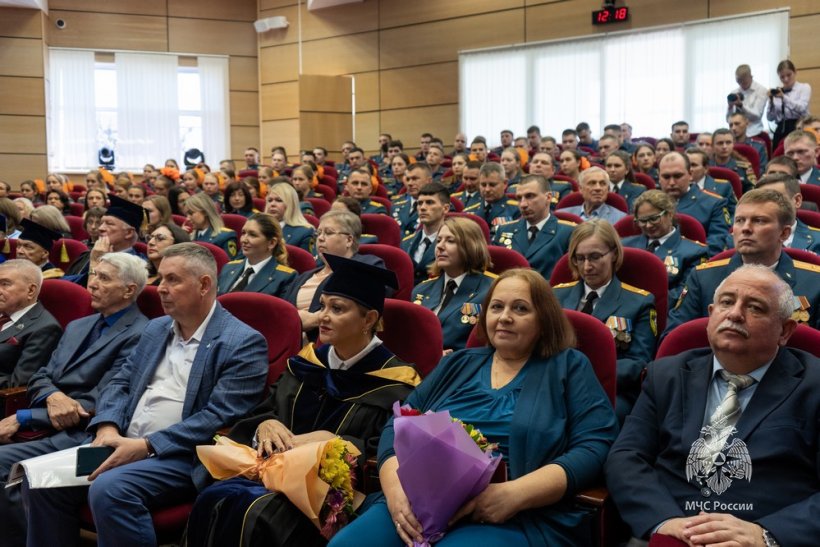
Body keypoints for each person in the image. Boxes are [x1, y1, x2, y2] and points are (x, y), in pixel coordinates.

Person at [330, 268, 618, 547]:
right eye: (496, 307)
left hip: (514, 513)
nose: (504, 317)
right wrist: (394, 489)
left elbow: (595, 445)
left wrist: (515, 494)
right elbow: (399, 422)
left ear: (544, 319)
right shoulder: (458, 363)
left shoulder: (568, 366)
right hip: (418, 500)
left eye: (520, 309)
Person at [22, 243, 269, 547]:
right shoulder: (156, 328)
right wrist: (107, 426)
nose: (160, 289)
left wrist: (146, 445)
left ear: (204, 284)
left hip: (181, 455)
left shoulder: (242, 342)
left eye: (172, 280)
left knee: (110, 488)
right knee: (40, 481)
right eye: (160, 278)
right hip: (119, 440)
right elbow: (120, 384)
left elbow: (220, 415)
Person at [187, 254, 419, 547]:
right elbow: (265, 410)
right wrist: (266, 424)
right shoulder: (307, 364)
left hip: (325, 496)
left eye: (337, 309)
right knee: (213, 498)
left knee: (256, 513)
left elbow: (386, 452)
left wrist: (333, 443)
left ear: (369, 319)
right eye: (322, 306)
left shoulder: (397, 382)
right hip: (269, 473)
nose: (322, 316)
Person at [607, 265, 820, 547]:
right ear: (710, 315)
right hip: (672, 530)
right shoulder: (666, 375)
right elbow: (626, 456)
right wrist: (664, 521)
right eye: (727, 302)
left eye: (755, 307)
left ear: (785, 330)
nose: (734, 314)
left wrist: (767, 535)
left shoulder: (814, 385)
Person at [0, 253, 149, 547]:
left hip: (86, 433)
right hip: (51, 420)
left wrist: (25, 416)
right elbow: (40, 376)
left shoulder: (142, 332)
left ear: (129, 290)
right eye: (93, 274)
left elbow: (101, 399)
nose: (91, 283)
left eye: (103, 278)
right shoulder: (80, 325)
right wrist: (53, 395)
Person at [666, 188, 820, 335]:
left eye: (759, 221)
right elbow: (676, 338)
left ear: (784, 233)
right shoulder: (703, 277)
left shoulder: (815, 282)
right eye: (739, 220)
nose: (745, 228)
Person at [553, 220, 657, 420]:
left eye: (595, 257)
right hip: (554, 384)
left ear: (614, 254)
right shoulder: (556, 296)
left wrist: (583, 376)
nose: (587, 266)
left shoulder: (639, 301)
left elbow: (638, 363)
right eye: (579, 258)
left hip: (607, 389)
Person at [285, 211, 385, 342]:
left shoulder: (367, 265)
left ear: (349, 240)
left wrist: (316, 319)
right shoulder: (305, 275)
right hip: (290, 343)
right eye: (318, 233)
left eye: (328, 233)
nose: (320, 238)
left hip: (331, 345)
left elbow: (358, 309)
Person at [412, 217, 496, 352]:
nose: (439, 246)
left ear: (470, 246)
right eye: (438, 240)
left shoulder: (491, 290)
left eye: (450, 241)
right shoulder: (421, 289)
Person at [622, 190, 708, 303]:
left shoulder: (695, 252)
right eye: (642, 221)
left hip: (665, 310)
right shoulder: (624, 246)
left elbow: (684, 293)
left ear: (670, 213)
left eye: (654, 219)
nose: (648, 225)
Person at [493, 175, 574, 279]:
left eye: (530, 196)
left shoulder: (567, 232)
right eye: (519, 198)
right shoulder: (504, 230)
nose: (523, 204)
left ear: (548, 197)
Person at [0, 259, 62, 388]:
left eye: (5, 284)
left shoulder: (45, 328)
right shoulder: (3, 311)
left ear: (31, 291)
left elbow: (18, 384)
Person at [64, 195, 147, 287]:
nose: (100, 228)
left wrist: (95, 261)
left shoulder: (135, 266)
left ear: (128, 233)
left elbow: (93, 295)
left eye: (109, 224)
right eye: (102, 222)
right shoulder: (90, 254)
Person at [658, 152, 730, 256]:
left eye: (678, 176)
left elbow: (716, 245)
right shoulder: (649, 205)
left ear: (690, 174)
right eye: (666, 177)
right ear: (659, 177)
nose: (672, 182)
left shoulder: (714, 203)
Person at [217, 213, 297, 298]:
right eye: (243, 233)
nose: (244, 240)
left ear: (271, 243)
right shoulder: (229, 268)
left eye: (253, 235)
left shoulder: (285, 277)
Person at [754, 173, 820, 252]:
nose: (766, 205)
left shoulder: (817, 240)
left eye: (775, 198)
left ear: (797, 201)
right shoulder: (741, 238)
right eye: (760, 200)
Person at [401, 182, 450, 285]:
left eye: (430, 202)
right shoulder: (405, 242)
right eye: (419, 203)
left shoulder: (453, 244)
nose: (422, 207)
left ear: (445, 209)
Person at [463, 162, 520, 236]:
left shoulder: (516, 209)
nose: (487, 189)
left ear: (505, 183)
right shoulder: (468, 211)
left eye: (492, 185)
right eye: (483, 185)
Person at [557, 166, 626, 225]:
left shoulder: (621, 219)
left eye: (602, 183)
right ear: (580, 189)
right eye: (592, 183)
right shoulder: (562, 215)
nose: (598, 188)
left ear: (608, 189)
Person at [767, 60, 812, 149]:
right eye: (782, 77)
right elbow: (770, 118)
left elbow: (801, 108)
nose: (786, 79)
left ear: (795, 72)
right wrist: (771, 101)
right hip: (781, 129)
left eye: (789, 75)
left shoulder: (804, 87)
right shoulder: (777, 92)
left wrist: (784, 98)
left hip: (799, 126)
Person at [264, 182, 316, 252]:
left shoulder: (304, 232)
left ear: (291, 204)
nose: (272, 204)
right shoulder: (258, 227)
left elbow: (306, 261)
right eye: (270, 200)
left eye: (279, 200)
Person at [685, 147, 737, 216]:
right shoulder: (675, 187)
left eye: (693, 165)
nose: (689, 169)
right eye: (687, 165)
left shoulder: (723, 187)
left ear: (706, 168)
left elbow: (734, 214)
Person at [186, 192, 238, 258]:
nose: (187, 218)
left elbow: (229, 265)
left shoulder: (225, 236)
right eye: (186, 214)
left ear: (205, 212)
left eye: (191, 213)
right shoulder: (189, 237)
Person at [726, 64, 769, 137]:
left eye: (744, 82)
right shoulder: (734, 92)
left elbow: (757, 115)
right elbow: (728, 119)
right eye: (738, 82)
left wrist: (741, 105)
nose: (741, 85)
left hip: (754, 133)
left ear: (751, 77)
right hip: (736, 134)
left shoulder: (761, 90)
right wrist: (730, 107)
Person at [710, 128, 757, 193]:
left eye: (728, 142)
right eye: (720, 143)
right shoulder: (705, 167)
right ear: (712, 146)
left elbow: (752, 191)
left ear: (733, 144)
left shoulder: (744, 167)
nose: (724, 146)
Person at [392, 163, 430, 236]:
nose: (409, 183)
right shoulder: (395, 206)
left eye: (415, 179)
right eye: (408, 179)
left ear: (429, 181)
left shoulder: (439, 206)